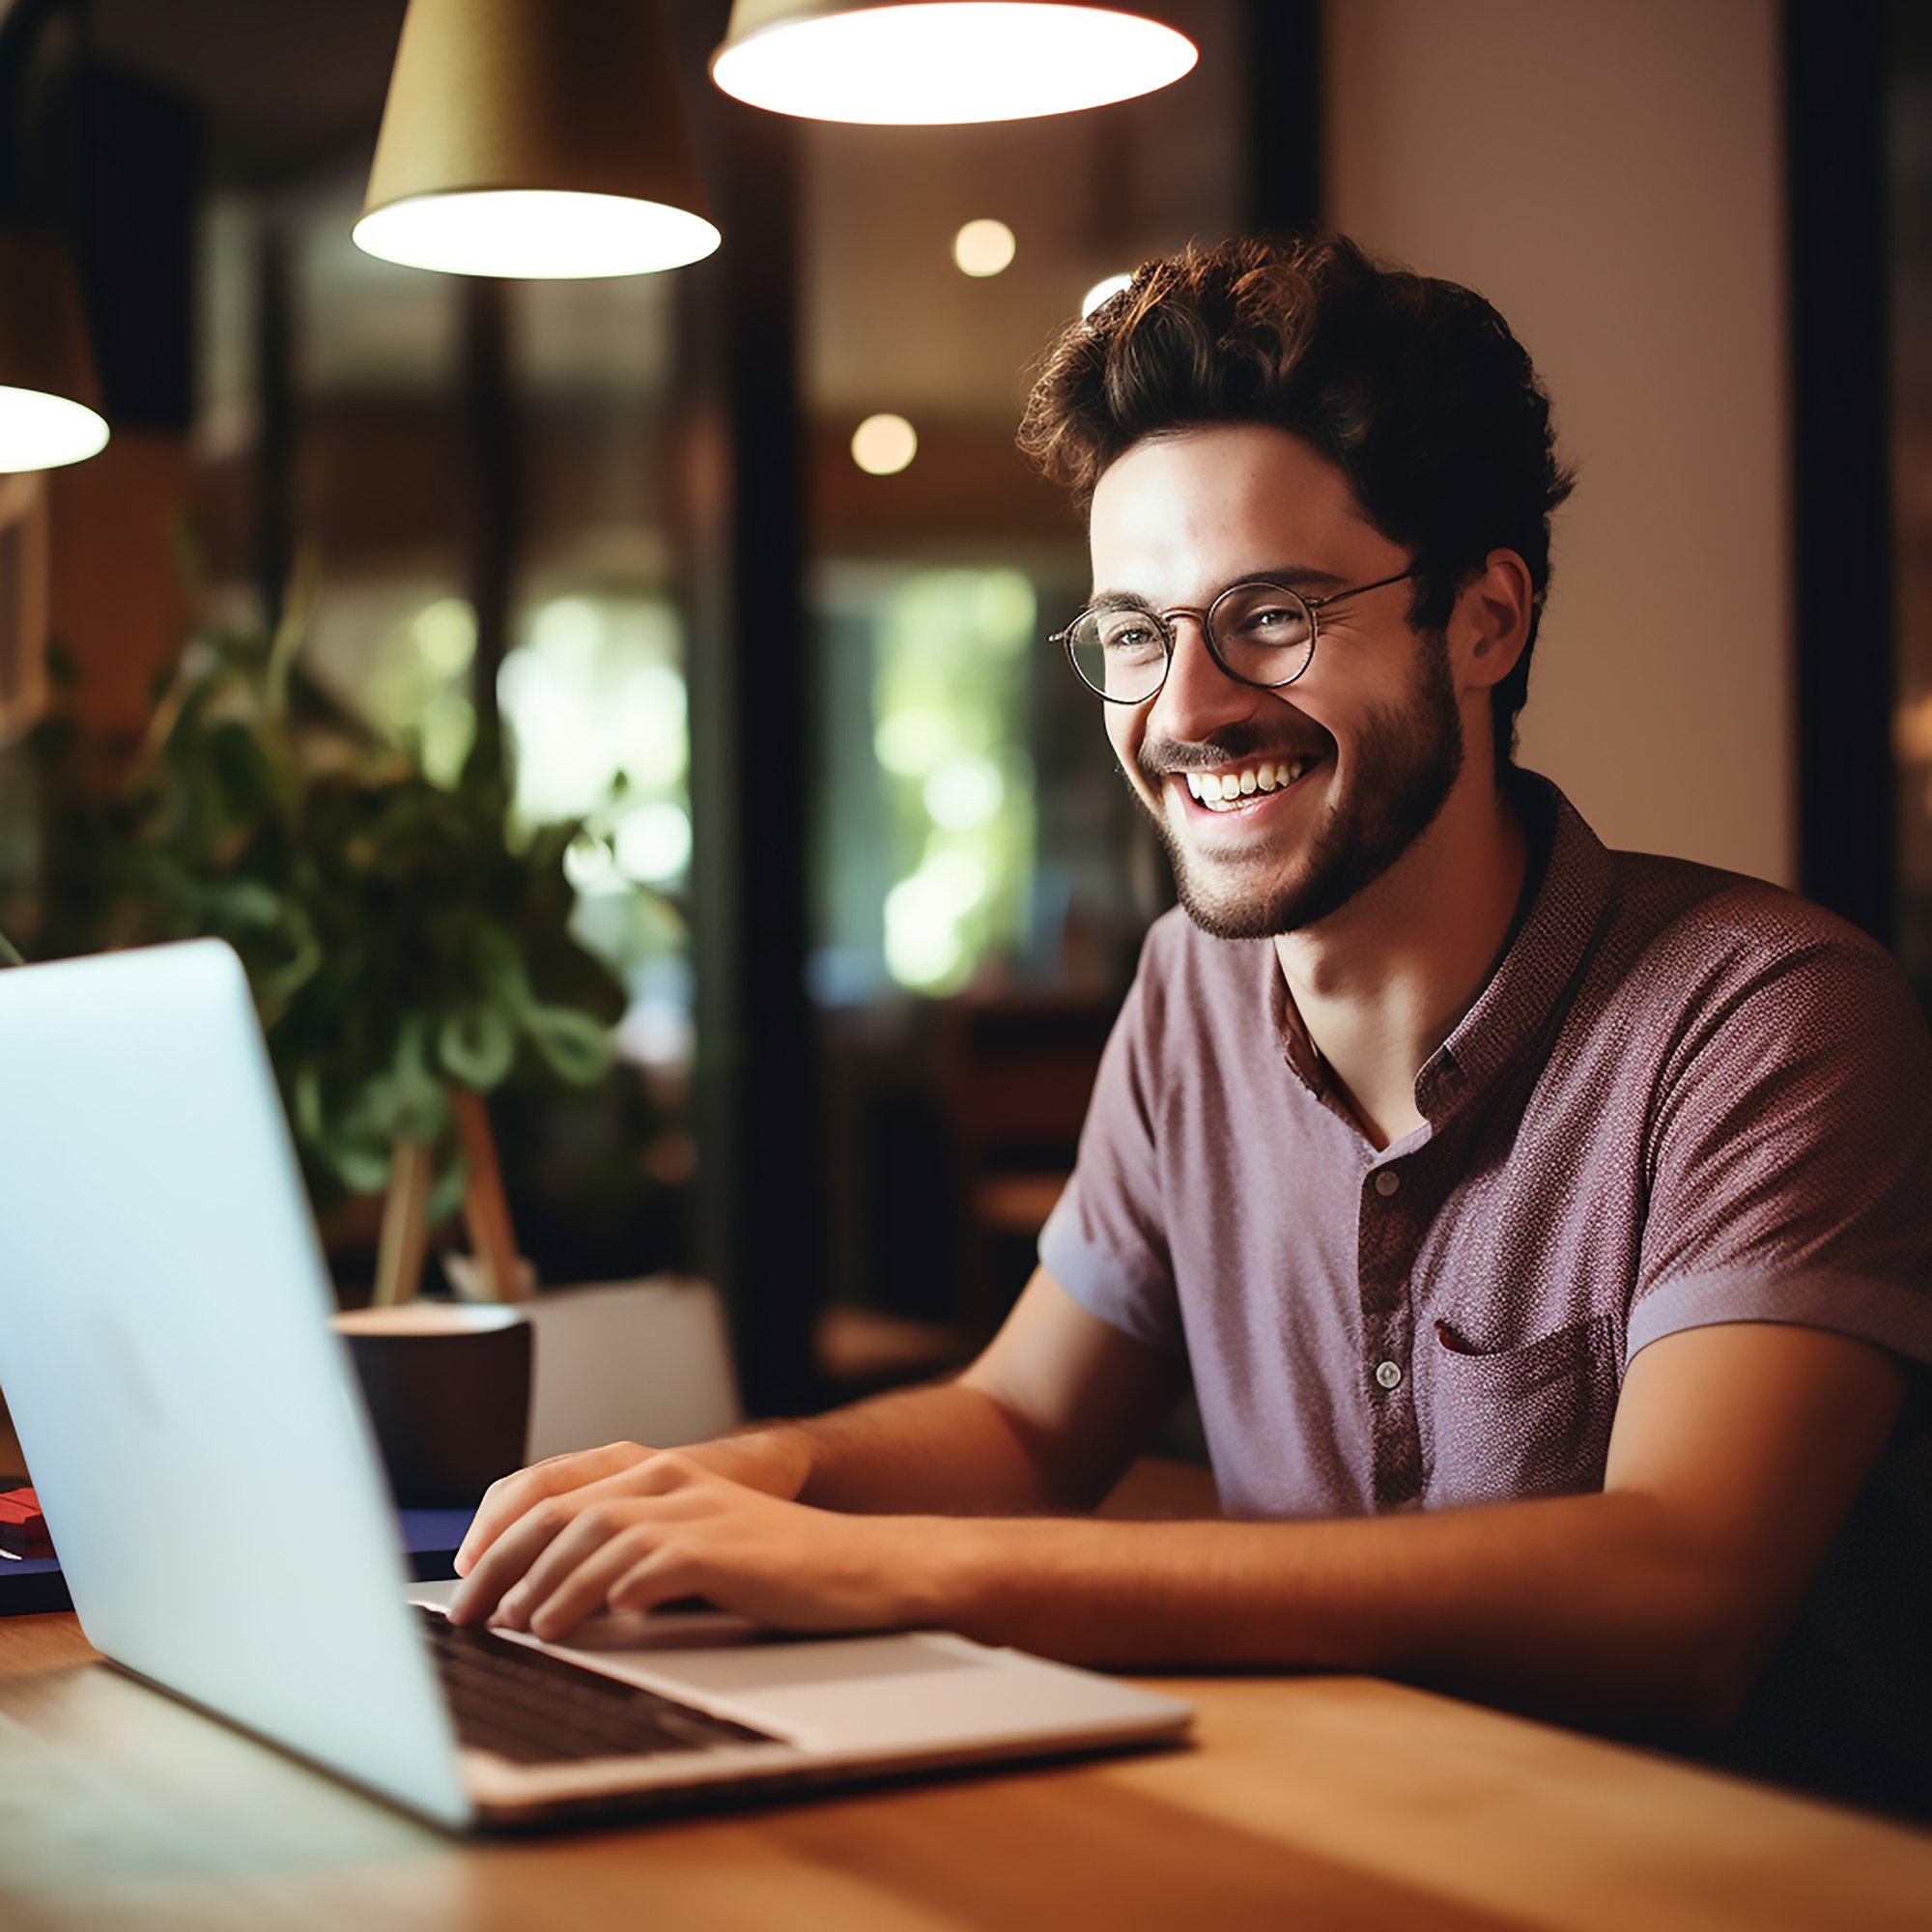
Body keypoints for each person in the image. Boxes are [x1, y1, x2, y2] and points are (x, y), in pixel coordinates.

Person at [448, 234, 1932, 1808]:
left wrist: (897, 1570)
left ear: (1484, 621)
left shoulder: (1767, 1017)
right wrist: (756, 1474)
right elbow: (1024, 1423)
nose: (1185, 708)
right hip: (1327, 1836)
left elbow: (1680, 1590)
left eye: (1273, 613)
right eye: (1136, 635)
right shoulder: (1191, 991)